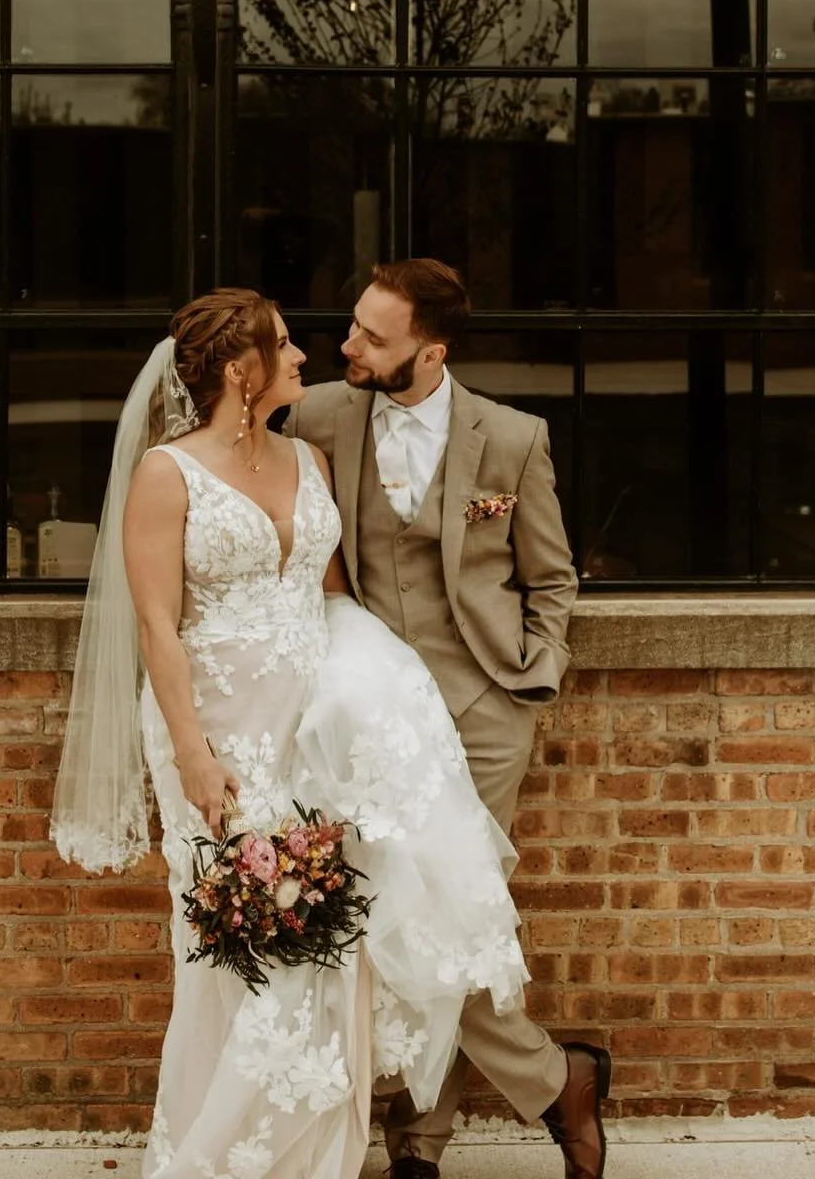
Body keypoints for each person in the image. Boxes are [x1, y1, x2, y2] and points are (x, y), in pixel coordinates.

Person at [50, 288, 533, 1179]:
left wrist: (377, 712)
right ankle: (215, 1155)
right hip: (214, 729)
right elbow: (158, 625)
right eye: (283, 345)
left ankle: (319, 1157)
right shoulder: (168, 473)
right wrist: (193, 753)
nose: (305, 355)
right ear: (242, 371)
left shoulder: (310, 461)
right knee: (232, 946)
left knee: (326, 941)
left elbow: (334, 598)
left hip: (310, 731)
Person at [285, 258, 609, 1179]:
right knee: (382, 920)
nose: (346, 346)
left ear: (431, 351)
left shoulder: (510, 438)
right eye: (352, 326)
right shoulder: (316, 417)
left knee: (453, 922)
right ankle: (559, 1080)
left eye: (370, 337)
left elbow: (551, 577)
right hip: (365, 715)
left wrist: (531, 678)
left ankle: (418, 1145)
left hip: (478, 713)